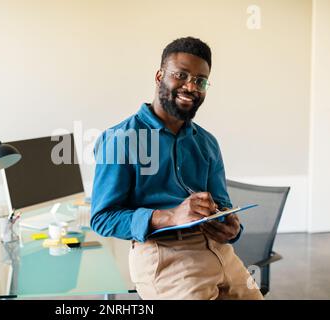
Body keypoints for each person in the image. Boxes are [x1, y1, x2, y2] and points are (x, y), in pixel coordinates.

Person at [90, 37, 263, 300]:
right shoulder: (120, 139)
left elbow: (223, 204)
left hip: (220, 253)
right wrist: (170, 216)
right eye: (181, 75)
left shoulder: (207, 142)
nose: (191, 86)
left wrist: (230, 227)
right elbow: (102, 218)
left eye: (200, 80)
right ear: (160, 76)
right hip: (164, 256)